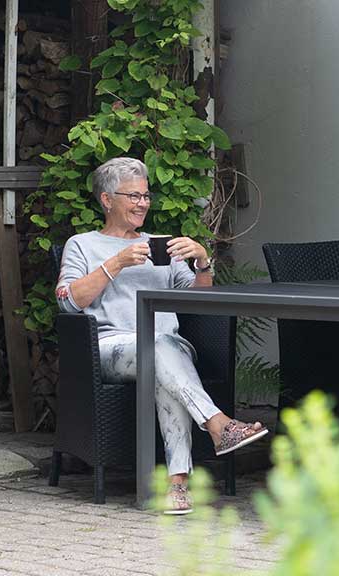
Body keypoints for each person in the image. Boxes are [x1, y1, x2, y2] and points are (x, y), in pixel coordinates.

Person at [55, 157, 267, 515]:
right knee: (157, 347)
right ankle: (218, 425)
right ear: (107, 200)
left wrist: (202, 262)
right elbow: (69, 303)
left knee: (160, 354)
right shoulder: (83, 245)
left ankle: (176, 485)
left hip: (166, 348)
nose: (142, 204)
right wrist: (116, 263)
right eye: (133, 196)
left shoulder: (161, 245)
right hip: (110, 348)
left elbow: (200, 302)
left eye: (146, 196)